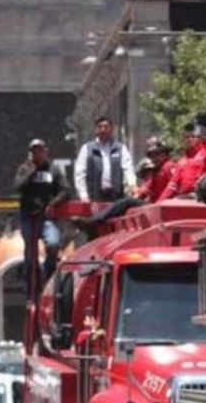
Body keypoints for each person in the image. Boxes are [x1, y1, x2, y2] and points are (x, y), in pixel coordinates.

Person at [11, 138, 69, 285]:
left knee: (54, 243)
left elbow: (65, 190)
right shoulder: (24, 168)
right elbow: (18, 186)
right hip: (28, 217)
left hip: (47, 218)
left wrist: (53, 204)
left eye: (40, 150)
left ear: (45, 152)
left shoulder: (53, 169)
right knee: (30, 254)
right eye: (34, 151)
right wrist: (31, 170)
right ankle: (30, 285)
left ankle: (48, 270)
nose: (38, 154)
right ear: (30, 153)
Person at [73, 116, 135, 201]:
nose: (103, 130)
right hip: (94, 197)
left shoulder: (120, 148)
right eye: (100, 127)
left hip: (116, 197)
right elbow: (80, 173)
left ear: (111, 129)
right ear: (95, 130)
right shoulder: (87, 149)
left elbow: (128, 170)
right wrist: (83, 194)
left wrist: (132, 186)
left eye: (106, 127)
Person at [162, 123, 206, 200]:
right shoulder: (181, 161)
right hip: (184, 198)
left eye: (193, 136)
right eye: (186, 137)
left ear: (199, 138)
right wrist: (159, 202)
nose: (189, 139)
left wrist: (205, 140)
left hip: (203, 198)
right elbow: (172, 186)